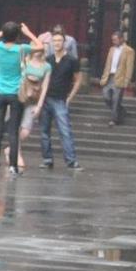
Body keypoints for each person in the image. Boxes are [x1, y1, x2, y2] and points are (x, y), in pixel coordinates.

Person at [0, 20, 39, 179]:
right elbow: (41, 46)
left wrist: (1, 32)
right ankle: (13, 167)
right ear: (17, 36)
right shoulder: (21, 49)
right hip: (16, 93)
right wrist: (28, 33)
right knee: (13, 132)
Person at [40, 32, 83, 171]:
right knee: (44, 131)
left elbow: (78, 80)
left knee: (65, 131)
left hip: (60, 99)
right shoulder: (48, 59)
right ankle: (47, 159)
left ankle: (71, 160)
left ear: (64, 42)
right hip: (46, 98)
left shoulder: (71, 60)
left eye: (59, 40)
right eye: (54, 41)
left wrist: (70, 97)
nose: (57, 43)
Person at [17, 39, 51, 149]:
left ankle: (13, 148)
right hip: (19, 95)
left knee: (26, 129)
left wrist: (39, 106)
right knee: (14, 125)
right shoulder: (24, 61)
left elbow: (45, 87)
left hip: (33, 98)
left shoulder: (47, 66)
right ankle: (15, 151)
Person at [99, 30, 135, 125]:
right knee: (106, 96)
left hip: (119, 77)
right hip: (109, 76)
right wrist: (104, 76)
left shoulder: (129, 51)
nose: (113, 41)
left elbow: (129, 66)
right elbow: (107, 63)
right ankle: (121, 110)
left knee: (116, 99)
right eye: (112, 40)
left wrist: (127, 80)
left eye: (115, 40)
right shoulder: (111, 49)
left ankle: (114, 119)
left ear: (121, 39)